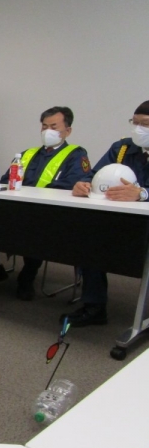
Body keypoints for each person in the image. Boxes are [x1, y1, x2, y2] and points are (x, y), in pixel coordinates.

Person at [0, 107, 90, 299]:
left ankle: (27, 276)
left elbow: (71, 185)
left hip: (49, 214)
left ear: (68, 130)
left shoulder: (76, 155)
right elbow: (5, 180)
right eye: (44, 126)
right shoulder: (27, 154)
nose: (47, 131)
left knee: (35, 226)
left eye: (53, 127)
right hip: (17, 209)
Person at [59, 100, 149, 327]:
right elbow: (95, 174)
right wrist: (83, 184)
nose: (138, 129)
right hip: (117, 218)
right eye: (135, 123)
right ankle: (94, 306)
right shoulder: (123, 148)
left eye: (145, 124)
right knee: (90, 238)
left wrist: (142, 193)